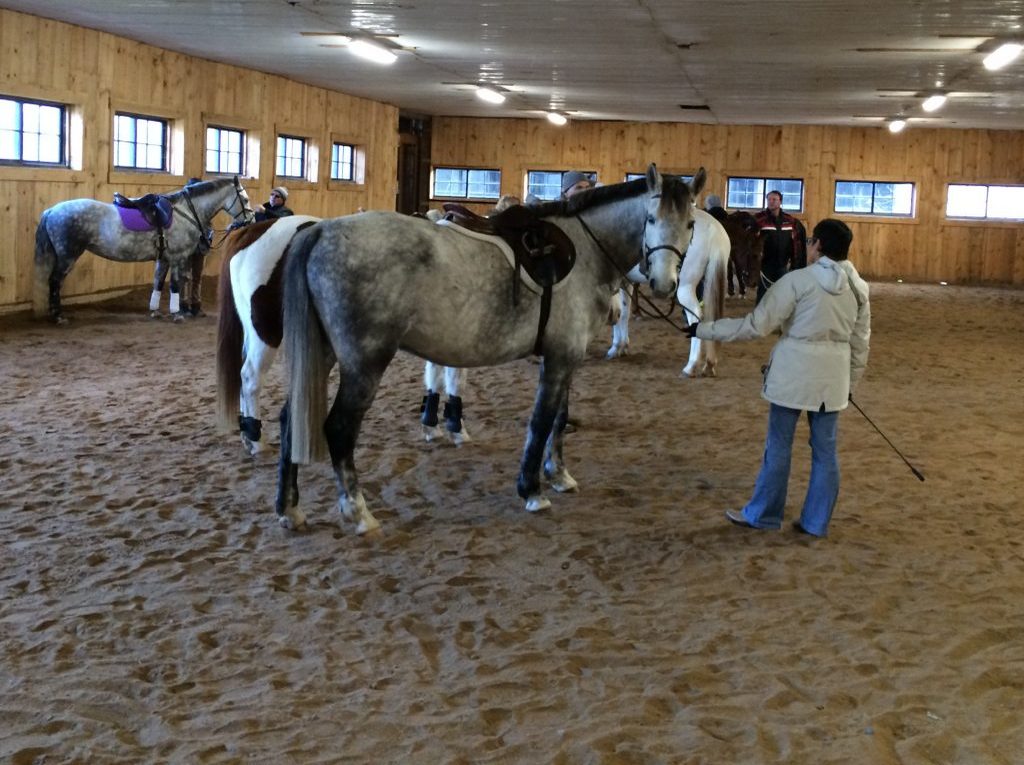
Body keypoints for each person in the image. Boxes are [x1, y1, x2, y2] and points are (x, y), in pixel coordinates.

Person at [684, 218, 870, 538]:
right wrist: (850, 385)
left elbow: (756, 326)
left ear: (818, 246)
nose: (808, 246)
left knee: (779, 445)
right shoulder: (859, 288)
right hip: (833, 380)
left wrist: (704, 329)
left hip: (792, 375)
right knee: (825, 452)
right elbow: (861, 342)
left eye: (810, 241)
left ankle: (764, 514)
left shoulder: (797, 281)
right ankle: (816, 522)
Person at [148, 177, 211, 318]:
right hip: (186, 247)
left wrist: (207, 238)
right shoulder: (183, 208)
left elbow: (208, 226)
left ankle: (195, 305)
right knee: (184, 276)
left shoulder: (202, 209)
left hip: (200, 246)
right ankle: (183, 304)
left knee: (197, 277)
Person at [754, 190, 805, 304]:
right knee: (763, 294)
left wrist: (795, 262)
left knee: (783, 294)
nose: (771, 202)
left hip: (783, 265)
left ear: (780, 202)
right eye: (769, 199)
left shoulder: (790, 221)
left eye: (774, 199)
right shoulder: (759, 220)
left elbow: (795, 243)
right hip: (765, 265)